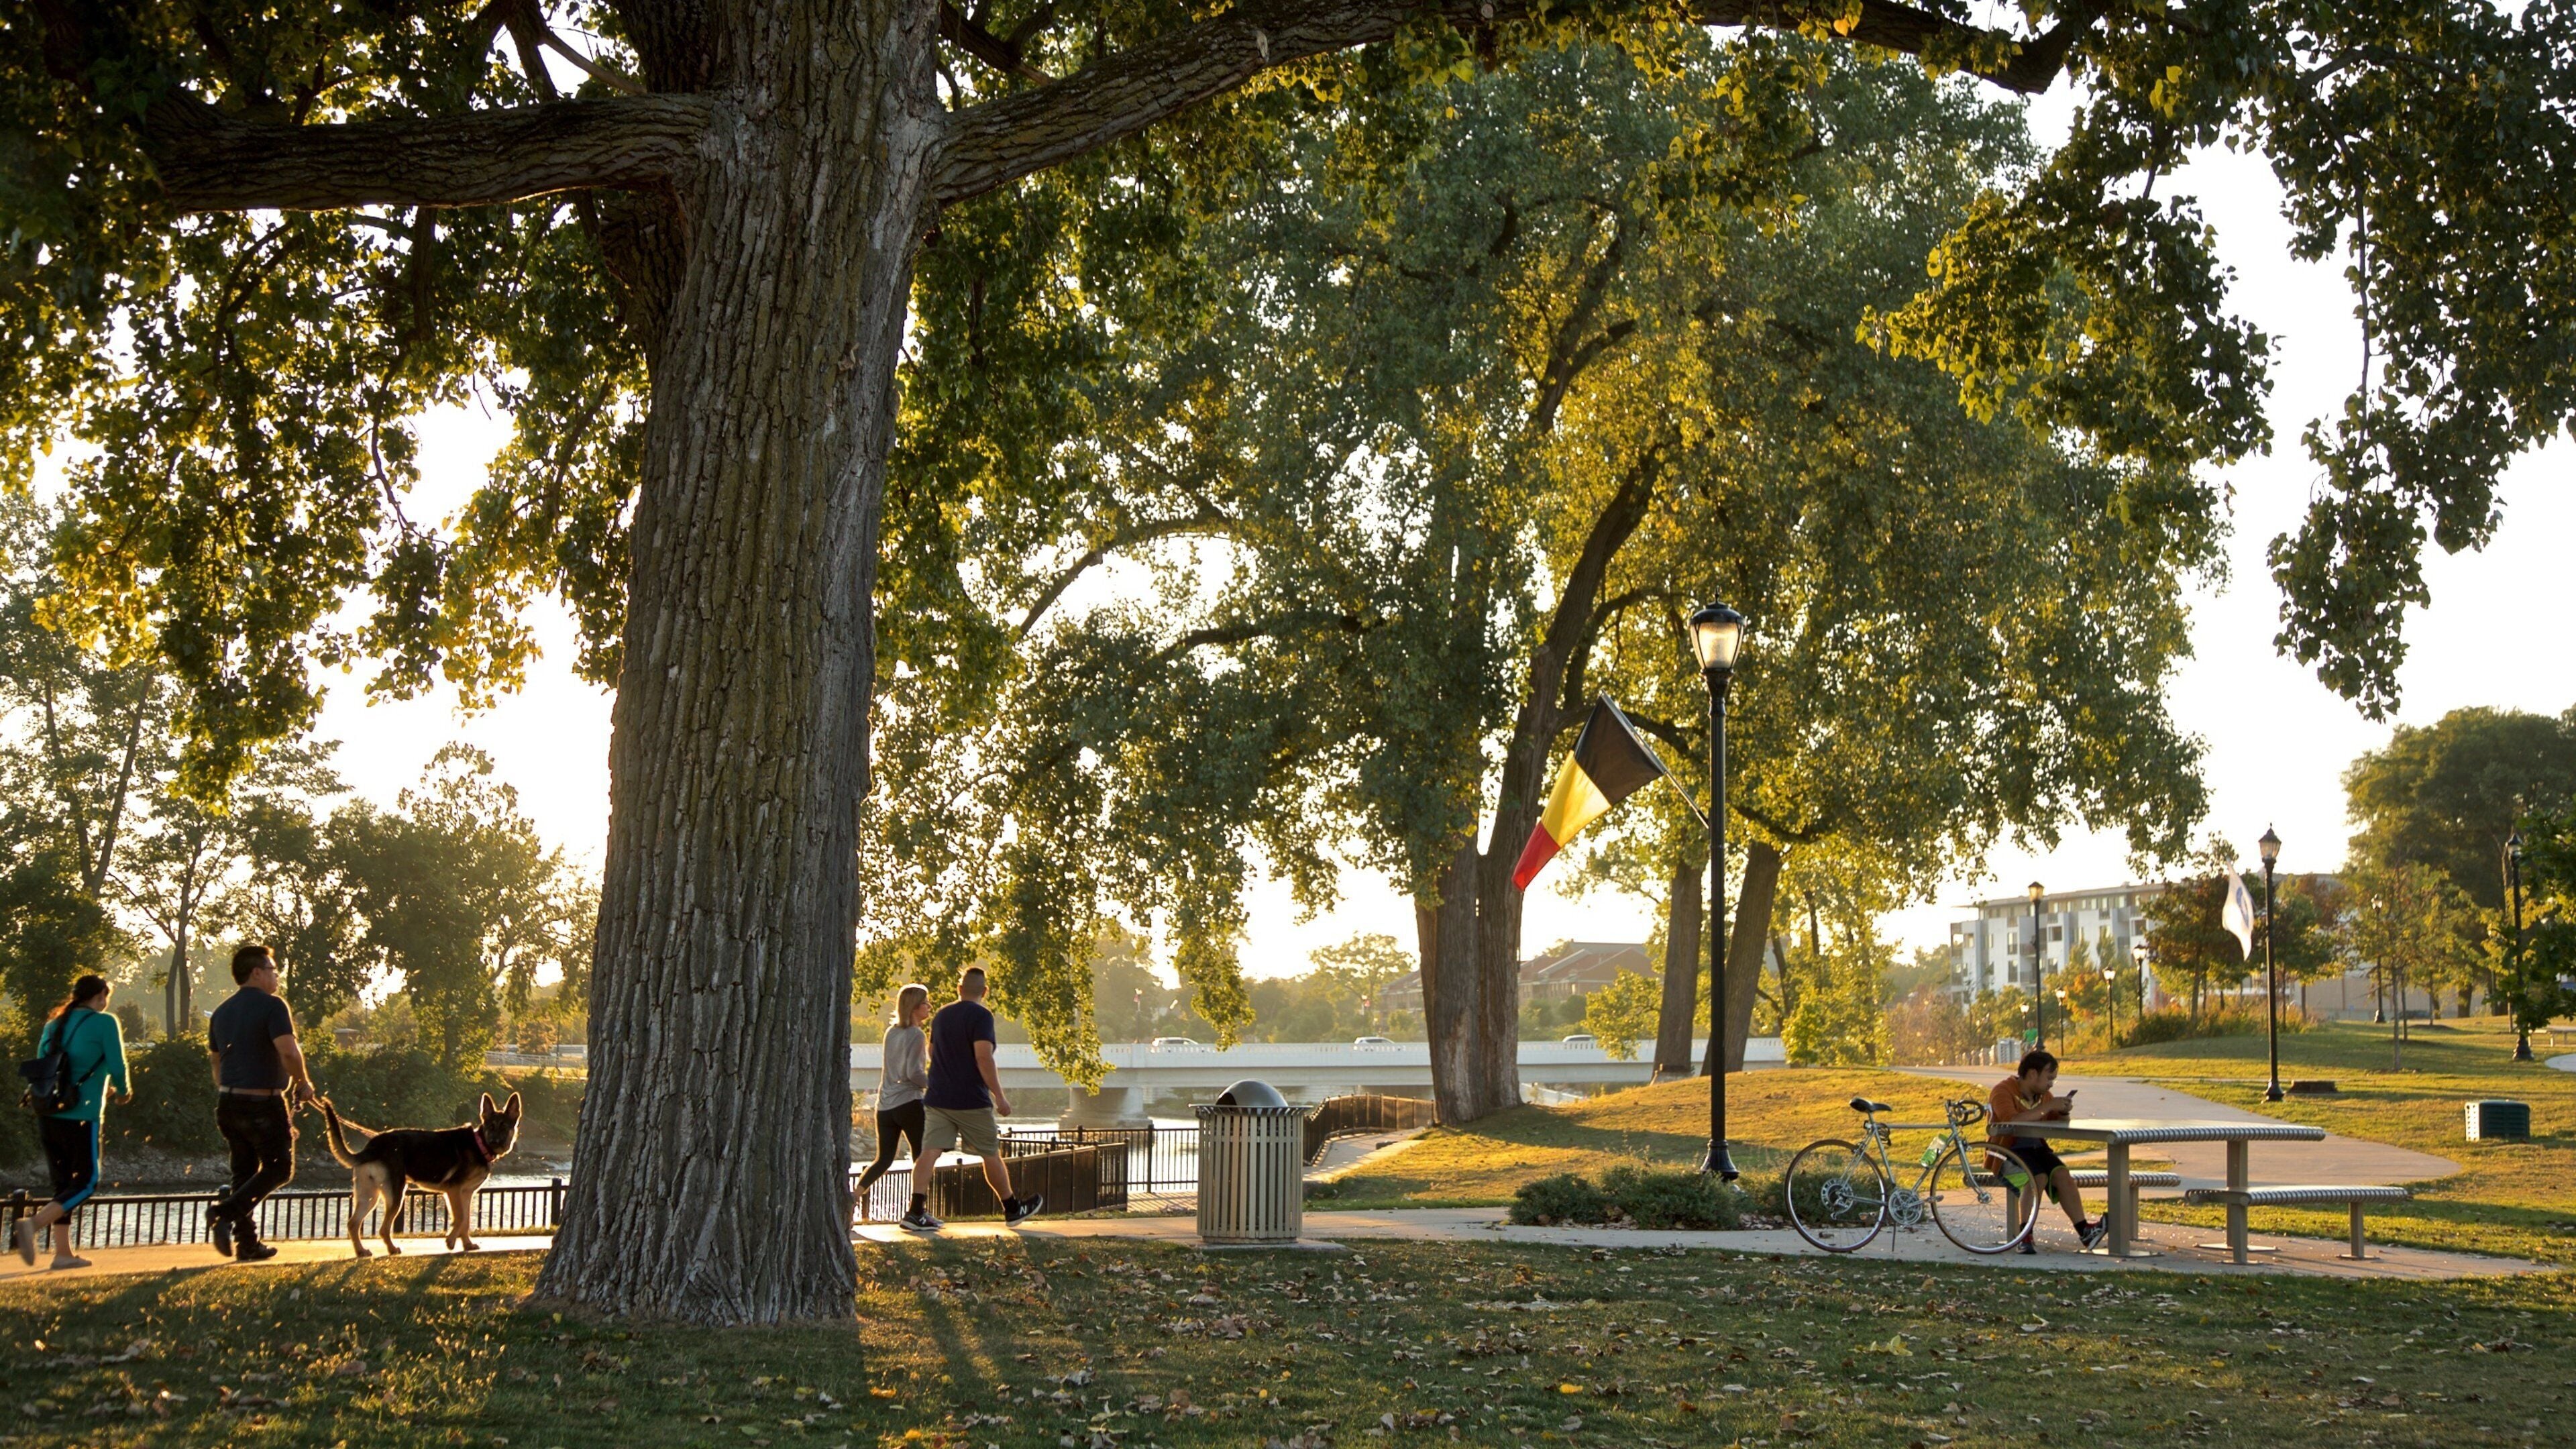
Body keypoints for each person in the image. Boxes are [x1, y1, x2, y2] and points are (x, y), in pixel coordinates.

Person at [905, 967, 1041, 1232]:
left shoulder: (942, 1015)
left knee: (929, 1153)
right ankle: (1012, 1208)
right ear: (985, 991)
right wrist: (999, 1096)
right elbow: (983, 1057)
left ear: (959, 989)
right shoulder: (982, 1016)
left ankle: (915, 1211)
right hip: (971, 1100)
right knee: (990, 1153)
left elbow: (932, 1050)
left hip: (938, 1097)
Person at [205, 944, 317, 1260]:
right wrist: (302, 1083)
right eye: (272, 969)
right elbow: (288, 1051)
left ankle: (247, 1245)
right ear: (256, 973)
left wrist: (231, 1087)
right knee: (279, 1168)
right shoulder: (273, 1006)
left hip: (228, 1102)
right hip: (262, 1104)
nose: (276, 976)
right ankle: (225, 1213)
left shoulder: (222, 1012)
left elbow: (216, 1062)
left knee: (243, 1173)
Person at [12, 975, 131, 1271]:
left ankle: (63, 1254)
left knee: (63, 1185)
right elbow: (117, 1064)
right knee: (87, 1182)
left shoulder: (54, 1025)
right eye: (106, 997)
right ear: (101, 996)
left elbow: (43, 1067)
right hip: (82, 1114)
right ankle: (33, 1225)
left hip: (49, 1114)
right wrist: (124, 1092)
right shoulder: (105, 1022)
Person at [1987, 1049, 2106, 1253]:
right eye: (2049, 1078)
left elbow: (2055, 1121)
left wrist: (2062, 1112)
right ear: (2033, 1074)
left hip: (2036, 1149)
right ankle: (2025, 1235)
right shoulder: (2003, 1091)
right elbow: (2011, 1120)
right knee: (2037, 1178)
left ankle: (2085, 1231)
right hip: (2005, 1153)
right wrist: (2049, 1106)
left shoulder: (2043, 1096)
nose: (2051, 1084)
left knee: (2062, 1175)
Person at [854, 983, 931, 1219]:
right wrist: (934, 1084)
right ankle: (917, 1212)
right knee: (923, 1157)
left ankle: (853, 1198)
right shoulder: (917, 1034)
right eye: (926, 1003)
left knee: (884, 1159)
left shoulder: (891, 1033)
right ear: (916, 1007)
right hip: (909, 1103)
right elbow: (913, 1073)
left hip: (885, 1106)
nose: (930, 1007)